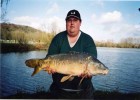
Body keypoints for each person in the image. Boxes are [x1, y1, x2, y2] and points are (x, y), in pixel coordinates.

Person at [45, 9, 97, 99]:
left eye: (75, 20)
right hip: (59, 91)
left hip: (83, 92)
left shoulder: (88, 40)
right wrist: (48, 68)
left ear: (80, 23)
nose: (72, 23)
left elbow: (93, 62)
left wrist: (90, 73)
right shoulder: (58, 38)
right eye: (69, 20)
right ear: (66, 23)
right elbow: (48, 58)